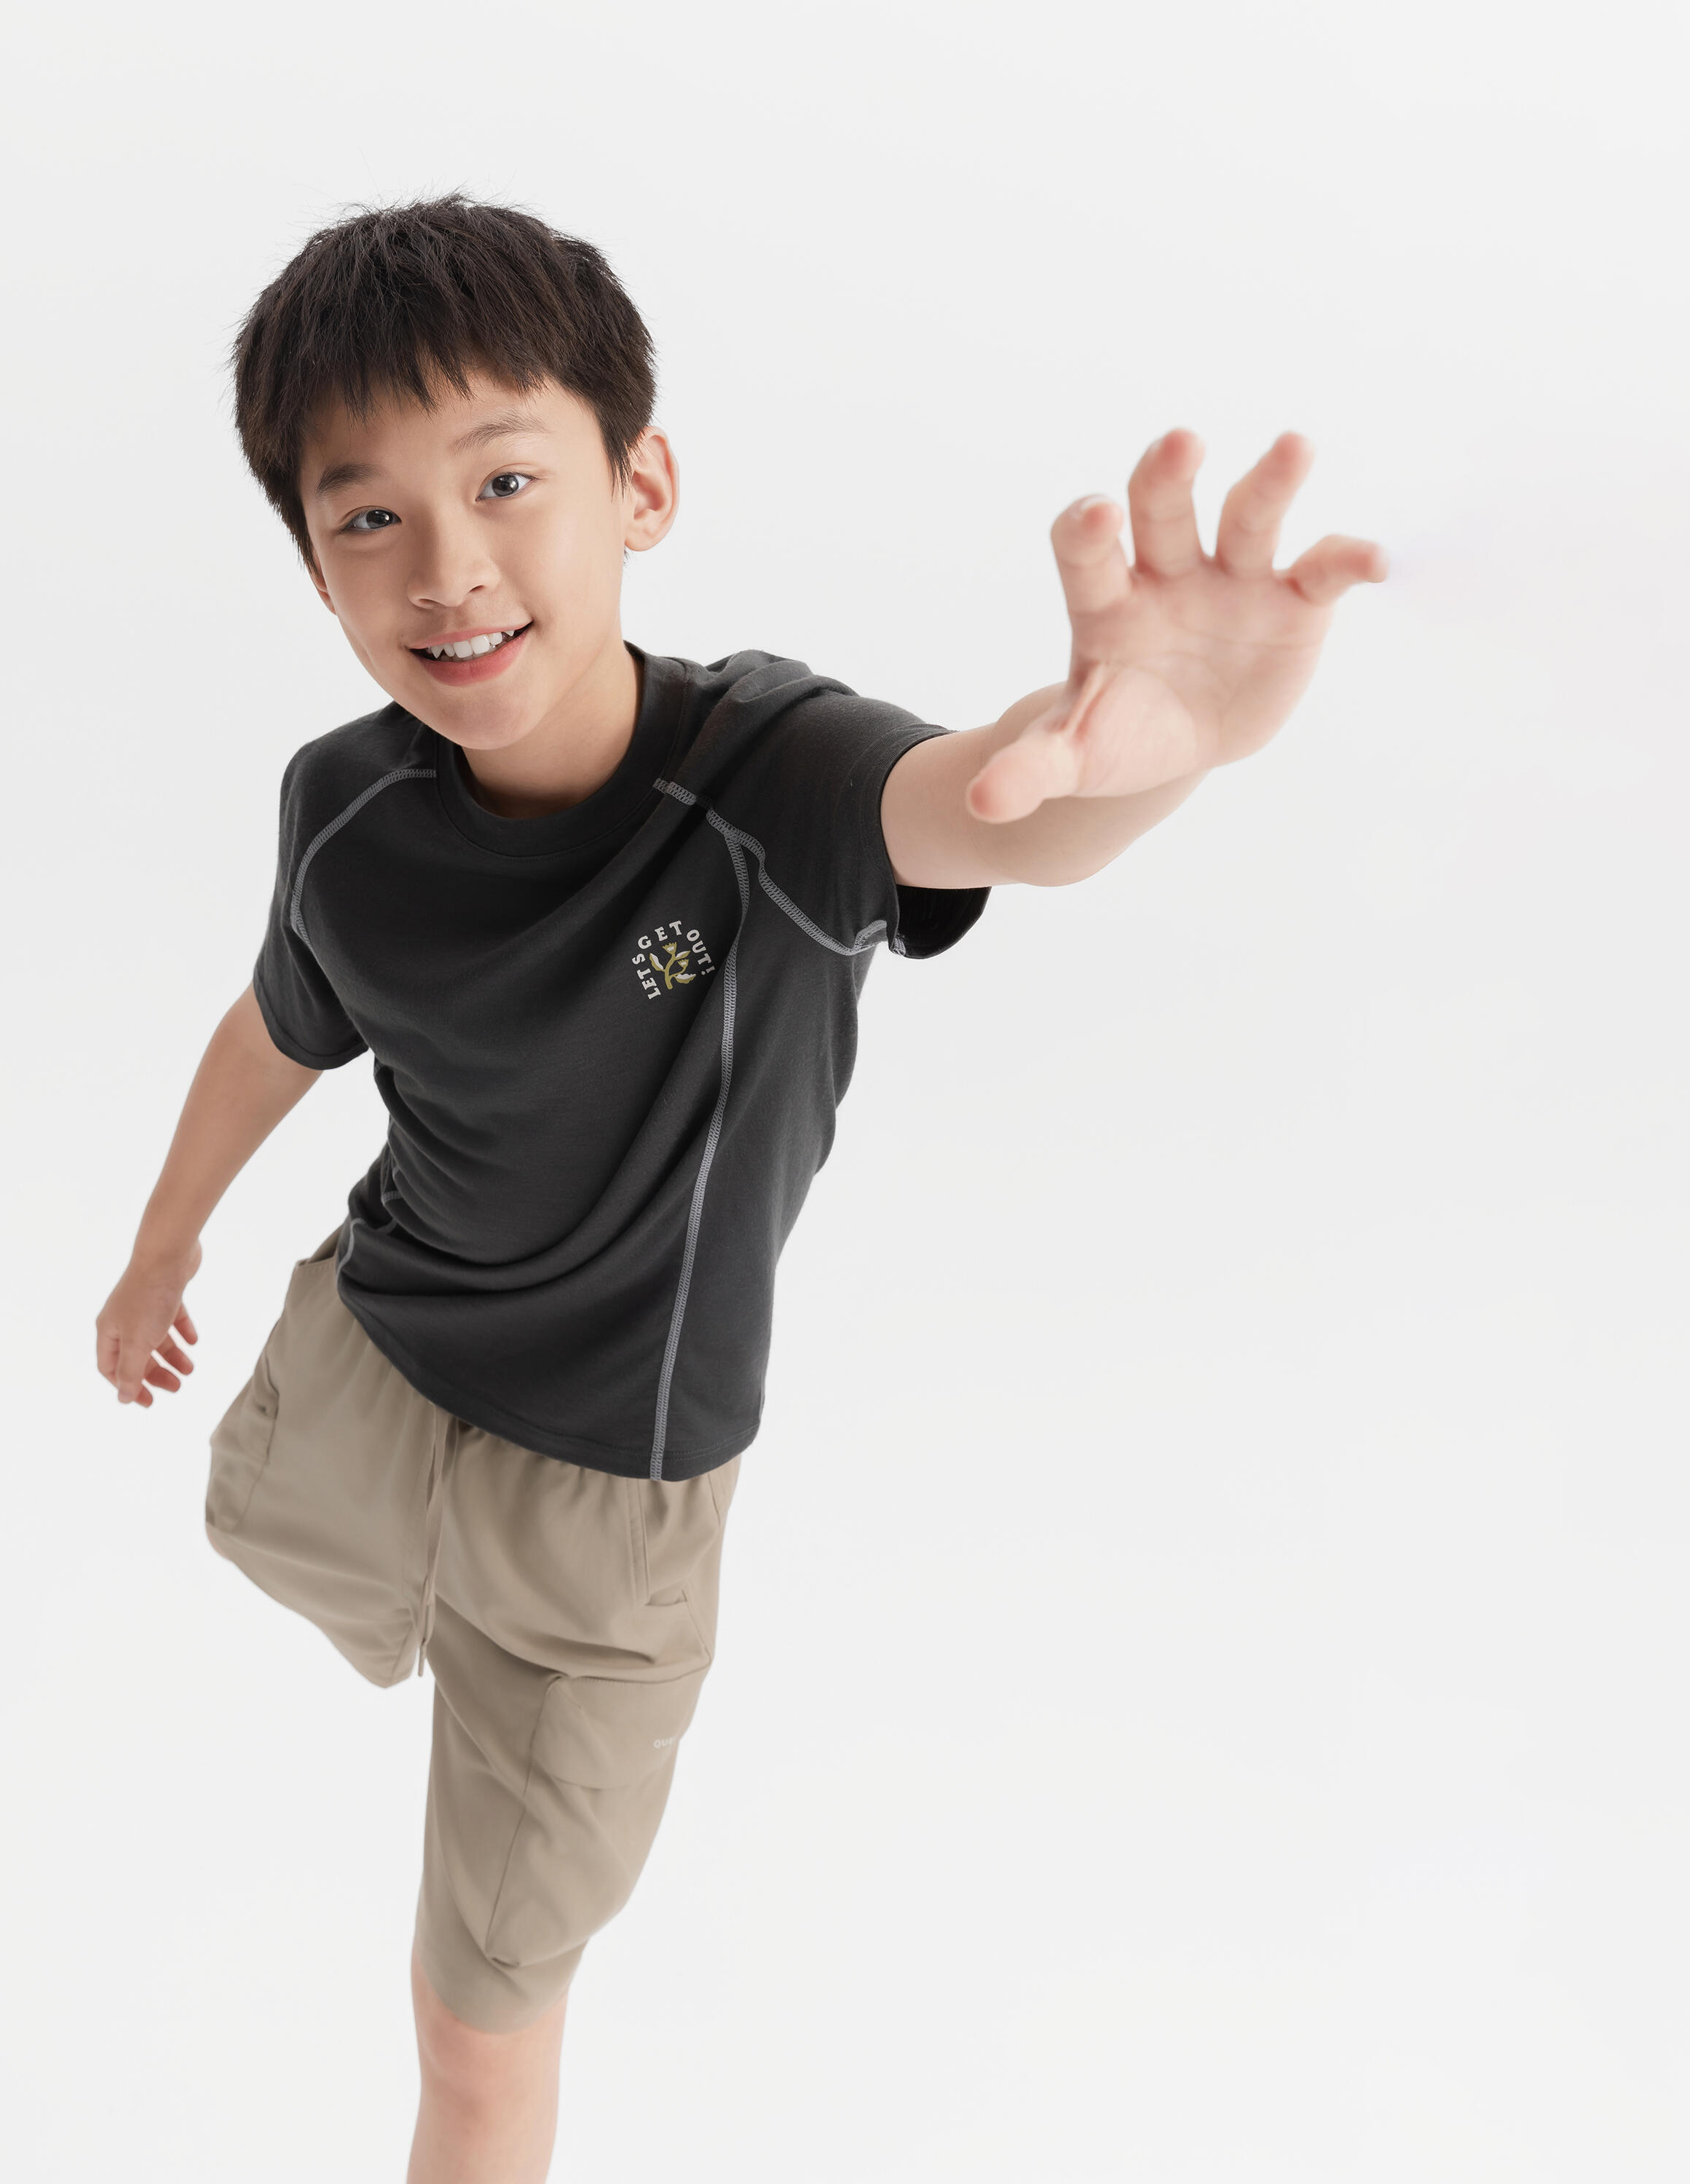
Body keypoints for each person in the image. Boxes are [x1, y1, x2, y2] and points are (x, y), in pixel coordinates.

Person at [92, 192, 1385, 2184]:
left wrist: (1157, 751)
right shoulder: (339, 802)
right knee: (260, 1530)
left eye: (505, 481)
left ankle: (487, 1703)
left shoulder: (774, 779)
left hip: (606, 1502)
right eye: (369, 518)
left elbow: (990, 811)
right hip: (370, 1353)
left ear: (642, 488)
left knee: (475, 2035)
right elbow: (282, 1020)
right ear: (317, 568)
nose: (448, 567)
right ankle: (403, 1602)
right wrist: (160, 1244)